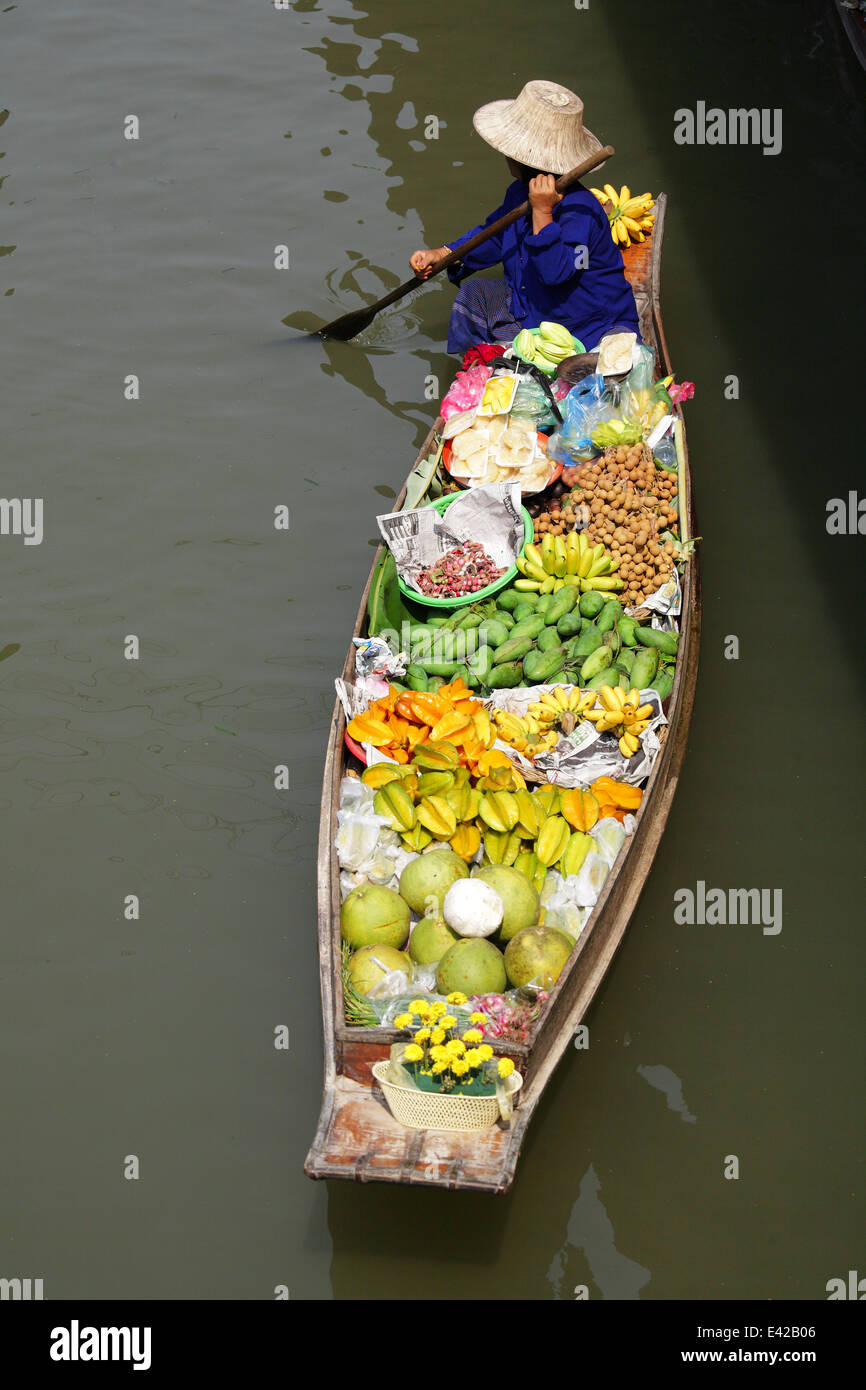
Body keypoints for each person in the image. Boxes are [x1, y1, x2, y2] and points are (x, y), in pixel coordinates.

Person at [410, 80, 640, 355]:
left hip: (587, 328)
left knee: (608, 360)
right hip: (531, 309)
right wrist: (446, 253)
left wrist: (542, 212)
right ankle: (474, 371)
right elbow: (494, 235)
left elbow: (556, 272)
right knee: (473, 296)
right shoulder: (519, 193)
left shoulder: (581, 210)